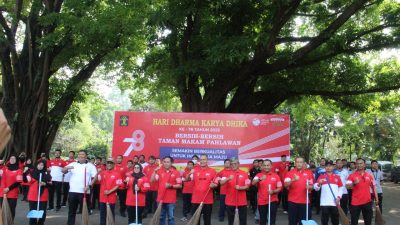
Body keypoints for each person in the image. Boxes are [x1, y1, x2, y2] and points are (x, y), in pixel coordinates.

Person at [62, 150, 97, 225]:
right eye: (79, 154)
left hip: (84, 192)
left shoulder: (91, 166)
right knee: (71, 211)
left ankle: (84, 223)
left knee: (84, 212)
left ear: (86, 156)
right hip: (72, 191)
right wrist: (67, 167)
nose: (81, 156)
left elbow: (95, 177)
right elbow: (63, 171)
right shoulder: (73, 164)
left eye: (82, 154)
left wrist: (90, 185)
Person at [151, 156, 182, 225]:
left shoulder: (176, 173)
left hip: (171, 201)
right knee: (161, 217)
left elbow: (180, 185)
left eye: (168, 162)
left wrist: (171, 186)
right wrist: (154, 171)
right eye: (164, 162)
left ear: (171, 163)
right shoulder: (159, 171)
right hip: (160, 199)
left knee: (171, 218)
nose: (166, 163)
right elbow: (152, 180)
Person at [346, 158, 378, 225]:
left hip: (367, 202)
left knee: (368, 222)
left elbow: (374, 187)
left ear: (364, 165)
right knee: (354, 222)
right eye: (357, 163)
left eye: (361, 163)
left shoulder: (369, 175)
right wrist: (354, 183)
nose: (359, 165)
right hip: (355, 203)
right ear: (355, 165)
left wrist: (376, 199)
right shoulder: (351, 175)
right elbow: (347, 187)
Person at [91, 157, 122, 225]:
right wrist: (97, 172)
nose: (109, 164)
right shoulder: (103, 173)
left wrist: (109, 191)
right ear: (106, 164)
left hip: (111, 198)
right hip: (102, 197)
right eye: (108, 163)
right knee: (102, 215)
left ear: (113, 164)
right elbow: (96, 179)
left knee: (110, 214)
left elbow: (118, 185)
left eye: (111, 163)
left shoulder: (117, 174)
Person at [284, 156, 314, 225]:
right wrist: (293, 180)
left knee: (304, 222)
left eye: (301, 162)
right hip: (292, 202)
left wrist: (309, 187)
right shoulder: (289, 173)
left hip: (305, 202)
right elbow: (285, 185)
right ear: (295, 163)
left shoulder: (309, 173)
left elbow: (312, 186)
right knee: (292, 222)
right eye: (297, 162)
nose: (299, 164)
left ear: (303, 163)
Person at [220, 157, 251, 225]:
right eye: (232, 164)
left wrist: (240, 187)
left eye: (235, 163)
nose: (233, 165)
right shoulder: (226, 173)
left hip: (242, 202)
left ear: (238, 164)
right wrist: (228, 178)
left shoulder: (244, 174)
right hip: (230, 201)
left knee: (242, 221)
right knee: (231, 221)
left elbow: (247, 186)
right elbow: (221, 183)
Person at [189, 155, 218, 225]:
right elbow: (186, 179)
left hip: (207, 201)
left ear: (207, 161)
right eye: (201, 160)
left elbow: (216, 183)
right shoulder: (195, 170)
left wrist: (213, 185)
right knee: (196, 221)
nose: (202, 161)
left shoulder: (212, 171)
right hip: (195, 200)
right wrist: (190, 173)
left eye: (204, 159)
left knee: (207, 220)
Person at [252, 159, 282, 225]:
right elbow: (253, 183)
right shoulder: (259, 175)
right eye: (265, 165)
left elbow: (280, 188)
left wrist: (273, 191)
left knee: (272, 219)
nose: (266, 167)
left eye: (268, 165)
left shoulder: (276, 176)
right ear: (262, 166)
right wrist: (260, 179)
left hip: (272, 200)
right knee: (262, 219)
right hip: (262, 201)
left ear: (271, 166)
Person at [314, 161, 343, 225]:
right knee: (324, 220)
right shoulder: (321, 176)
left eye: (330, 166)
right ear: (325, 167)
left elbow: (341, 189)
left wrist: (338, 198)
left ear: (333, 167)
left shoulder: (337, 177)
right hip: (324, 203)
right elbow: (316, 188)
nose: (328, 167)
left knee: (335, 220)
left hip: (335, 202)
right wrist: (319, 183)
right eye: (327, 166)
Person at [24, 160, 52, 225]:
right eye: (39, 164)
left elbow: (51, 184)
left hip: (43, 197)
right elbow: (26, 180)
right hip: (33, 196)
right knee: (33, 213)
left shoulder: (47, 174)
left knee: (42, 213)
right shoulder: (31, 173)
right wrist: (24, 173)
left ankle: (40, 223)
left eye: (42, 165)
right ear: (36, 165)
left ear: (44, 166)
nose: (40, 166)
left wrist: (45, 184)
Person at [0, 155, 23, 220]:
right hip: (2, 192)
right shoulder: (5, 168)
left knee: (11, 210)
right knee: (2, 210)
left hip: (12, 193)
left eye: (14, 158)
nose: (12, 159)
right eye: (11, 158)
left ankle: (10, 222)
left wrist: (8, 188)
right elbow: (2, 178)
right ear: (9, 160)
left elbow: (18, 182)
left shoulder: (19, 170)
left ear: (16, 161)